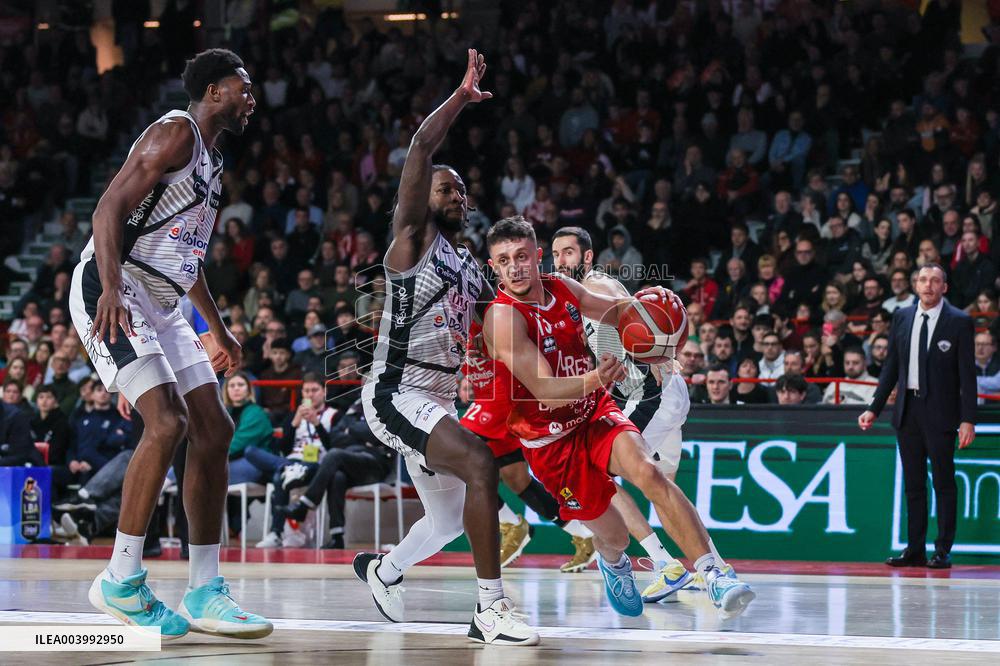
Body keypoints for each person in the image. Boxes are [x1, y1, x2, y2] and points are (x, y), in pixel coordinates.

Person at [65, 49, 270, 638]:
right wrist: (109, 287)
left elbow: (188, 256)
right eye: (243, 85)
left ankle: (205, 590)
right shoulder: (176, 133)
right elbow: (109, 209)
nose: (250, 96)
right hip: (118, 286)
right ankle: (120, 581)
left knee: (215, 429)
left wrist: (217, 326)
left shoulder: (211, 161)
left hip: (167, 298)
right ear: (212, 90)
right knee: (166, 422)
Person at [353, 50, 538, 646]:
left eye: (460, 189)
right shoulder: (410, 242)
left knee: (448, 519)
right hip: (394, 393)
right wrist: (460, 97)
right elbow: (418, 152)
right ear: (421, 198)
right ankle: (490, 609)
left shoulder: (468, 265)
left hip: (436, 397)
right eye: (444, 187)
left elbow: (501, 326)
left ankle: (383, 571)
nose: (455, 193)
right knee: (481, 463)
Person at [485, 216, 754, 619]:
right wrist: (596, 376)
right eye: (504, 260)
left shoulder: (564, 288)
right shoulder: (503, 317)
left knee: (648, 472)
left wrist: (655, 314)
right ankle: (615, 564)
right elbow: (544, 389)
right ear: (495, 267)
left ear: (537, 257)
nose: (515, 267)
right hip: (550, 442)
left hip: (594, 413)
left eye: (522, 256)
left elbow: (615, 312)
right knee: (612, 536)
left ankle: (715, 573)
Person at [552, 227, 703, 602]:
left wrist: (659, 352)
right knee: (664, 487)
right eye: (555, 254)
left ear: (587, 258)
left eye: (568, 252)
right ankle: (706, 567)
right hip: (665, 394)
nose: (559, 261)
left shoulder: (599, 285)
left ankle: (664, 563)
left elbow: (634, 310)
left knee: (598, 472)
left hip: (648, 391)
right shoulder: (576, 302)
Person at [859, 264, 976, 570]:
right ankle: (914, 548)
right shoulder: (902, 316)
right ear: (916, 285)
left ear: (944, 287)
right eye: (923, 280)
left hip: (941, 412)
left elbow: (967, 376)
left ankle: (943, 550)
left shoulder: (960, 322)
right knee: (913, 484)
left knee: (943, 482)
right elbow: (891, 367)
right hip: (907, 410)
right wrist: (874, 406)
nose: (928, 285)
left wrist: (968, 419)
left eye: (935, 281)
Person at [460, 317, 597, 573]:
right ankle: (585, 535)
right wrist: (467, 379)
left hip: (503, 399)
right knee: (516, 478)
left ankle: (511, 524)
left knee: (456, 459)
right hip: (492, 396)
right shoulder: (454, 317)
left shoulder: (489, 311)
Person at [275, 396, 394, 549]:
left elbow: (377, 434)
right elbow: (335, 438)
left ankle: (305, 505)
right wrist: (359, 433)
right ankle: (337, 537)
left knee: (334, 455)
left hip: (377, 463)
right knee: (337, 476)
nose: (368, 384)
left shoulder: (386, 403)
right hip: (353, 462)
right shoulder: (357, 405)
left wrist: (350, 429)